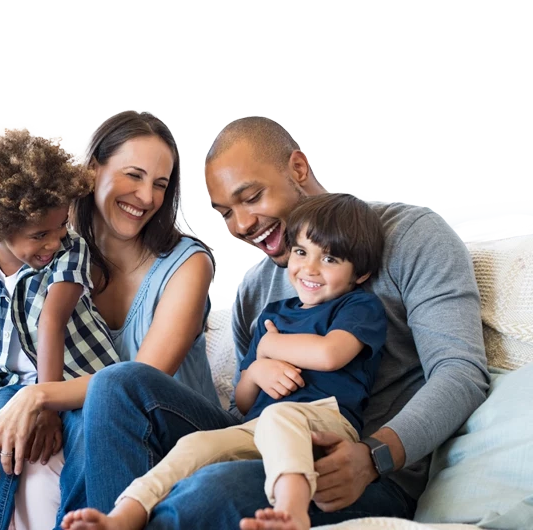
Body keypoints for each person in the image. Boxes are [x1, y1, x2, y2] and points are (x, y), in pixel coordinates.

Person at [62, 115, 490, 529]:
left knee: (209, 492)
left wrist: (374, 455)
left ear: (298, 168)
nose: (242, 225)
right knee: (115, 383)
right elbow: (245, 410)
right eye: (225, 212)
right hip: (262, 439)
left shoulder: (410, 236)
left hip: (358, 469)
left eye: (251, 198)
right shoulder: (256, 290)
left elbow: (460, 373)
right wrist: (255, 370)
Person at [0, 111, 219, 530]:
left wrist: (39, 397)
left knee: (104, 395)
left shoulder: (186, 265)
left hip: (173, 425)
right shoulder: (48, 249)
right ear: (92, 169)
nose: (147, 197)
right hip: (95, 412)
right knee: (3, 412)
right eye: (133, 175)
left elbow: (140, 380)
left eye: (160, 184)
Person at [60, 192, 388, 530]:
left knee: (280, 415)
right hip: (257, 427)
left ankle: (292, 512)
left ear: (360, 274)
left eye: (330, 259)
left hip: (325, 423)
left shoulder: (357, 307)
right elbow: (244, 401)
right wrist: (258, 367)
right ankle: (124, 515)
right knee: (195, 445)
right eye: (301, 252)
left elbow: (330, 354)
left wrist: (271, 346)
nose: (310, 268)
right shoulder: (273, 315)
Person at [0, 126, 120, 530]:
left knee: (85, 434)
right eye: (39, 234)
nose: (54, 240)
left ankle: (77, 523)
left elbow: (51, 322)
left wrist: (45, 404)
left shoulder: (69, 250)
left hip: (82, 380)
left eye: (60, 225)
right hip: (13, 388)